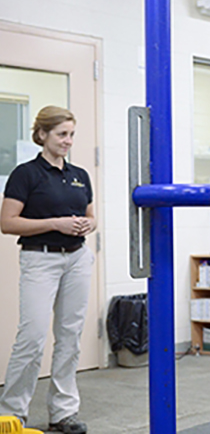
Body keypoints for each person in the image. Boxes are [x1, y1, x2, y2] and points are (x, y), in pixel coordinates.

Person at [0, 106, 96, 434]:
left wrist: (87, 224)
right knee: (32, 336)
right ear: (42, 135)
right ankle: (11, 414)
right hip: (40, 259)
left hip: (77, 259)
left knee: (70, 338)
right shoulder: (25, 174)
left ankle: (63, 413)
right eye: (61, 134)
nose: (68, 141)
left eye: (71, 134)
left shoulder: (80, 175)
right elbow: (7, 223)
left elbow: (91, 216)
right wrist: (55, 223)